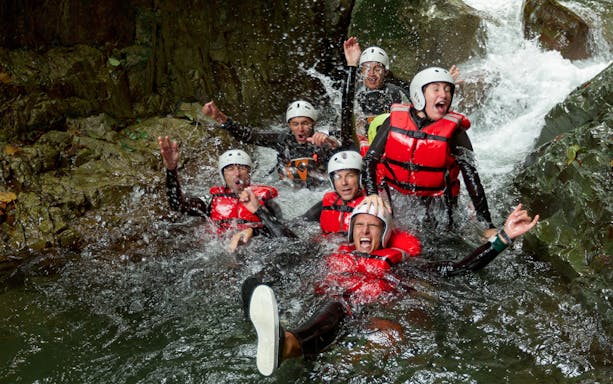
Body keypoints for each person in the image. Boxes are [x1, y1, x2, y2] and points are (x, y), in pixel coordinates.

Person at [246, 202, 539, 376]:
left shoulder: (398, 266)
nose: (364, 231)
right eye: (359, 225)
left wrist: (502, 237)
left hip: (371, 314)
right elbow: (292, 245)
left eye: (373, 227)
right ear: (351, 233)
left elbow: (458, 268)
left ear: (384, 235)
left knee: (390, 335)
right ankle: (288, 343)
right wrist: (260, 213)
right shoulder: (332, 259)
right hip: (332, 306)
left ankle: (303, 352)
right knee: (339, 301)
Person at [361, 66, 496, 235]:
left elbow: (472, 178)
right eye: (436, 89)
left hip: (440, 206)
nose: (444, 94)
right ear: (419, 94)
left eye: (447, 89)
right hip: (399, 200)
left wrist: (487, 225)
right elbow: (370, 160)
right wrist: (372, 194)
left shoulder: (456, 132)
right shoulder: (393, 120)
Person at [158, 136, 294, 251]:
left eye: (242, 168)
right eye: (230, 168)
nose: (237, 173)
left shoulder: (265, 202)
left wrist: (254, 231)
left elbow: (286, 240)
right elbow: (177, 205)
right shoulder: (210, 201)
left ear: (250, 173)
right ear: (223, 175)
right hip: (218, 252)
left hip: (256, 252)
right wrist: (171, 171)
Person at [341, 37, 460, 155]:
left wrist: (441, 88)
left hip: (391, 142)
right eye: (366, 68)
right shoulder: (355, 94)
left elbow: (422, 111)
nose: (371, 73)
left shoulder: (396, 92)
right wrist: (351, 64)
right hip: (364, 144)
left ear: (386, 72)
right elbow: (346, 118)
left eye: (377, 68)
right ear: (361, 72)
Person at [202, 100, 341, 188]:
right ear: (289, 125)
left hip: (317, 190)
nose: (300, 129)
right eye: (295, 124)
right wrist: (219, 117)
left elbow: (346, 149)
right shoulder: (282, 140)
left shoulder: (324, 139)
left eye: (305, 123)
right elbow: (249, 136)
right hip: (288, 191)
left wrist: (332, 144)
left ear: (313, 124)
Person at [300, 150, 366, 234]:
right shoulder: (330, 201)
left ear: (360, 178)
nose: (344, 183)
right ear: (332, 181)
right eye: (338, 176)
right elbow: (301, 222)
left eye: (350, 175)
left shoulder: (370, 204)